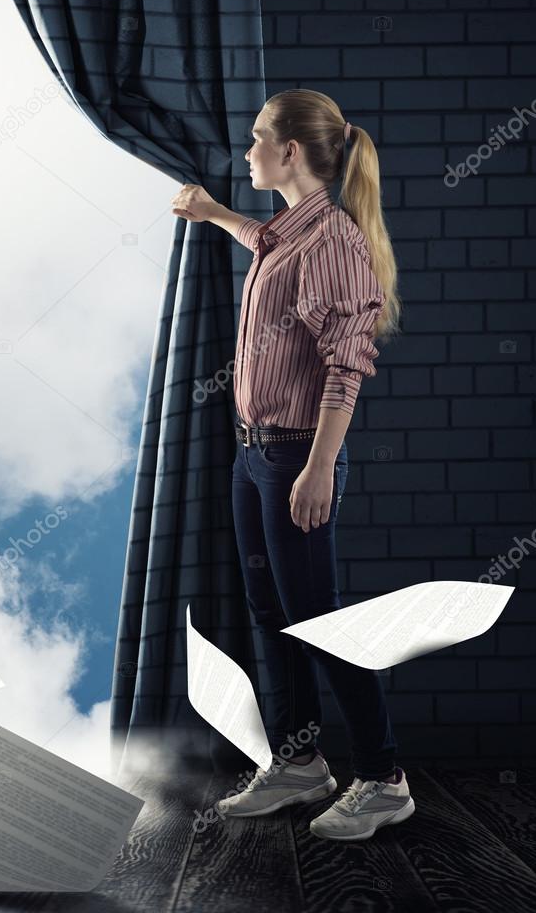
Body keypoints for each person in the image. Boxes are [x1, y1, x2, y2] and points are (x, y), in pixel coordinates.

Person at [170, 89, 413, 842]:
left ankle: (384, 778)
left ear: (290, 153)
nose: (245, 152)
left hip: (293, 459)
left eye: (254, 140)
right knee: (273, 612)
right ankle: (303, 762)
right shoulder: (290, 232)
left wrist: (317, 468)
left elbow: (347, 368)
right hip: (254, 455)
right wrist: (215, 215)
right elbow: (267, 247)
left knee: (322, 622)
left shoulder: (334, 241)